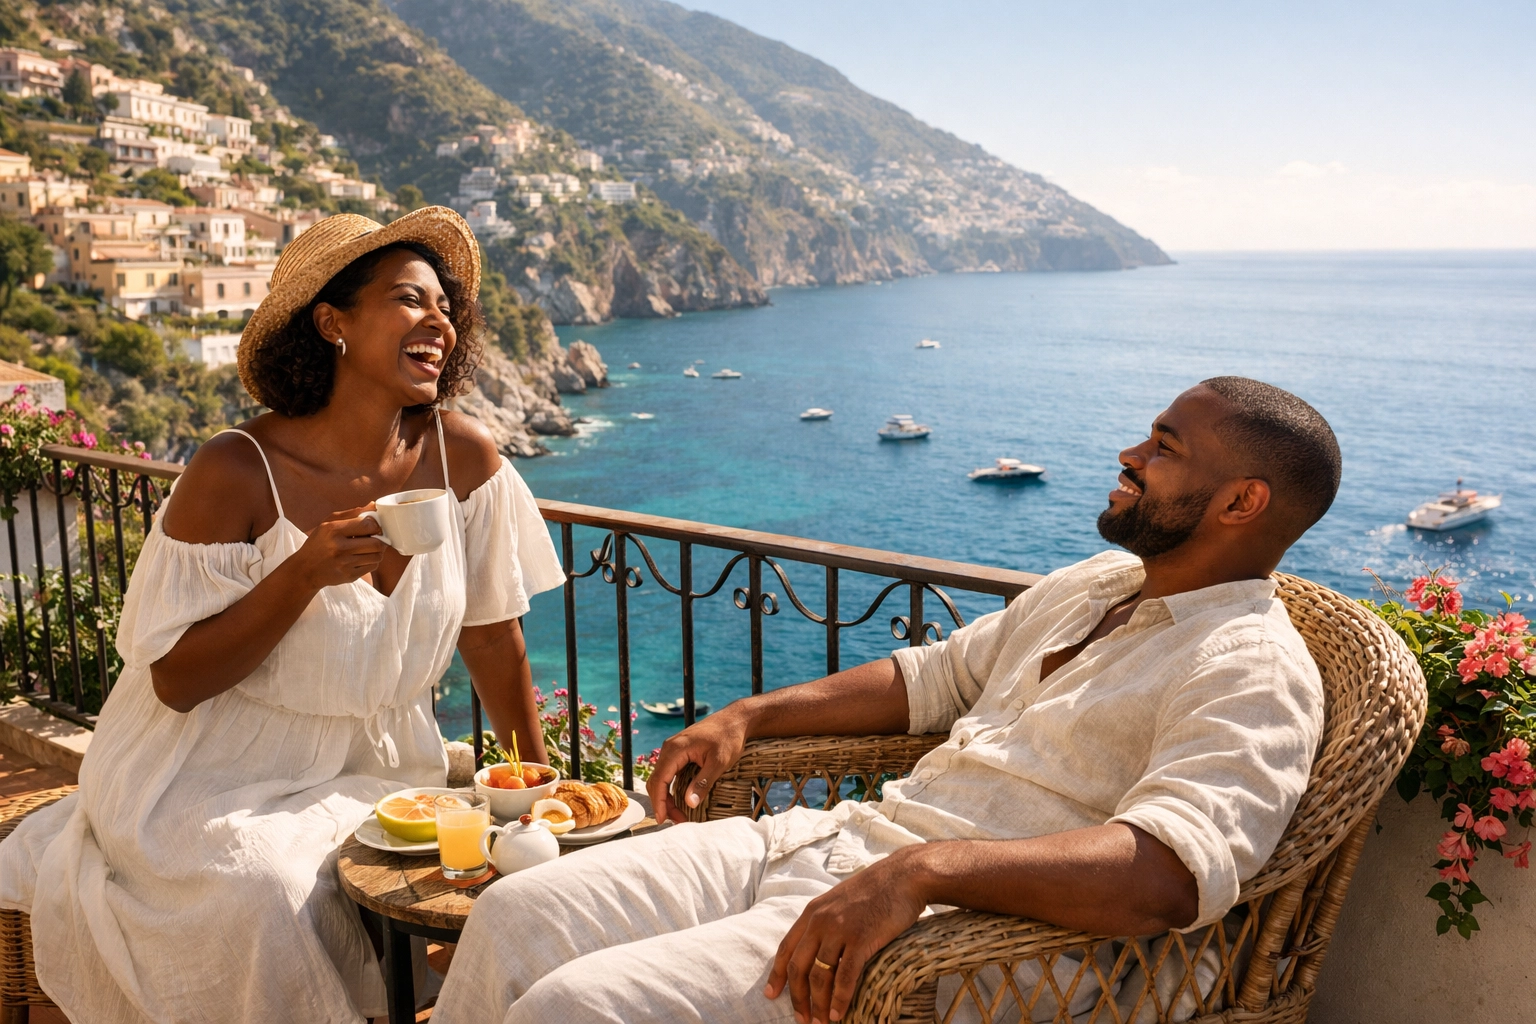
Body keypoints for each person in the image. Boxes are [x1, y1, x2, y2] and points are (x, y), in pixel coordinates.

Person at [432, 377, 1343, 1024]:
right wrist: (747, 715)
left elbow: (1167, 874)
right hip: (836, 848)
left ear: (1241, 501)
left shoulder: (1250, 668)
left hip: (954, 948)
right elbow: (931, 679)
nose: (1130, 455)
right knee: (516, 915)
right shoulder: (1097, 585)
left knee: (574, 1008)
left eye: (1164, 448)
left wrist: (923, 872)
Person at [0, 209, 564, 1023]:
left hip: (378, 765)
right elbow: (176, 682)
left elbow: (492, 637)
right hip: (209, 772)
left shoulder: (464, 456)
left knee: (454, 872)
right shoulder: (236, 470)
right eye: (410, 299)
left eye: (446, 307)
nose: (438, 321)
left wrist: (536, 786)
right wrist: (300, 575)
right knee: (269, 891)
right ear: (333, 324)